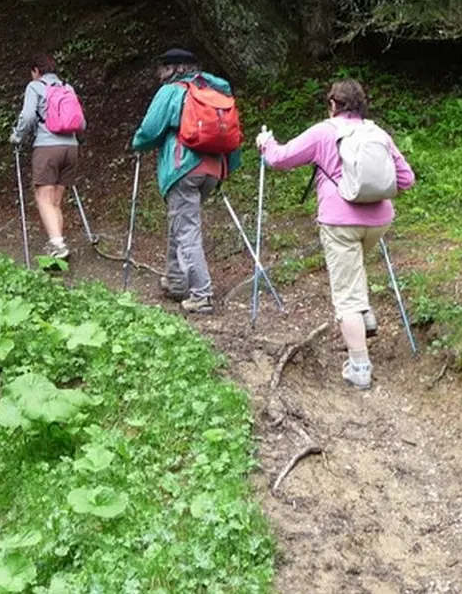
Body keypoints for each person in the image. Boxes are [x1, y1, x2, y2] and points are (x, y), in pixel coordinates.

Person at [256, 78, 416, 391]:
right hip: (379, 221)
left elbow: (280, 158)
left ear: (333, 104)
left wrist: (265, 143)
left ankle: (359, 366)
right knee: (354, 268)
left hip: (340, 222)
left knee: (346, 298)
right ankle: (366, 316)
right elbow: (406, 179)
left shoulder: (323, 132)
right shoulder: (377, 133)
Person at [129, 48, 237, 314]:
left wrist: (138, 144)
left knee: (186, 228)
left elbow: (150, 129)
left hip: (183, 167)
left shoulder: (172, 91)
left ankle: (201, 294)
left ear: (174, 69)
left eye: (163, 68)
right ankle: (177, 282)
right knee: (181, 222)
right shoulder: (216, 90)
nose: (160, 73)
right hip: (212, 168)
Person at [10, 53, 79, 259]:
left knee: (43, 198)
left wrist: (17, 136)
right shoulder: (67, 88)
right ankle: (58, 242)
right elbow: (80, 120)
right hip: (71, 147)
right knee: (55, 201)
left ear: (36, 71)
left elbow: (29, 116)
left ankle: (58, 246)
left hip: (48, 148)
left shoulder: (35, 86)